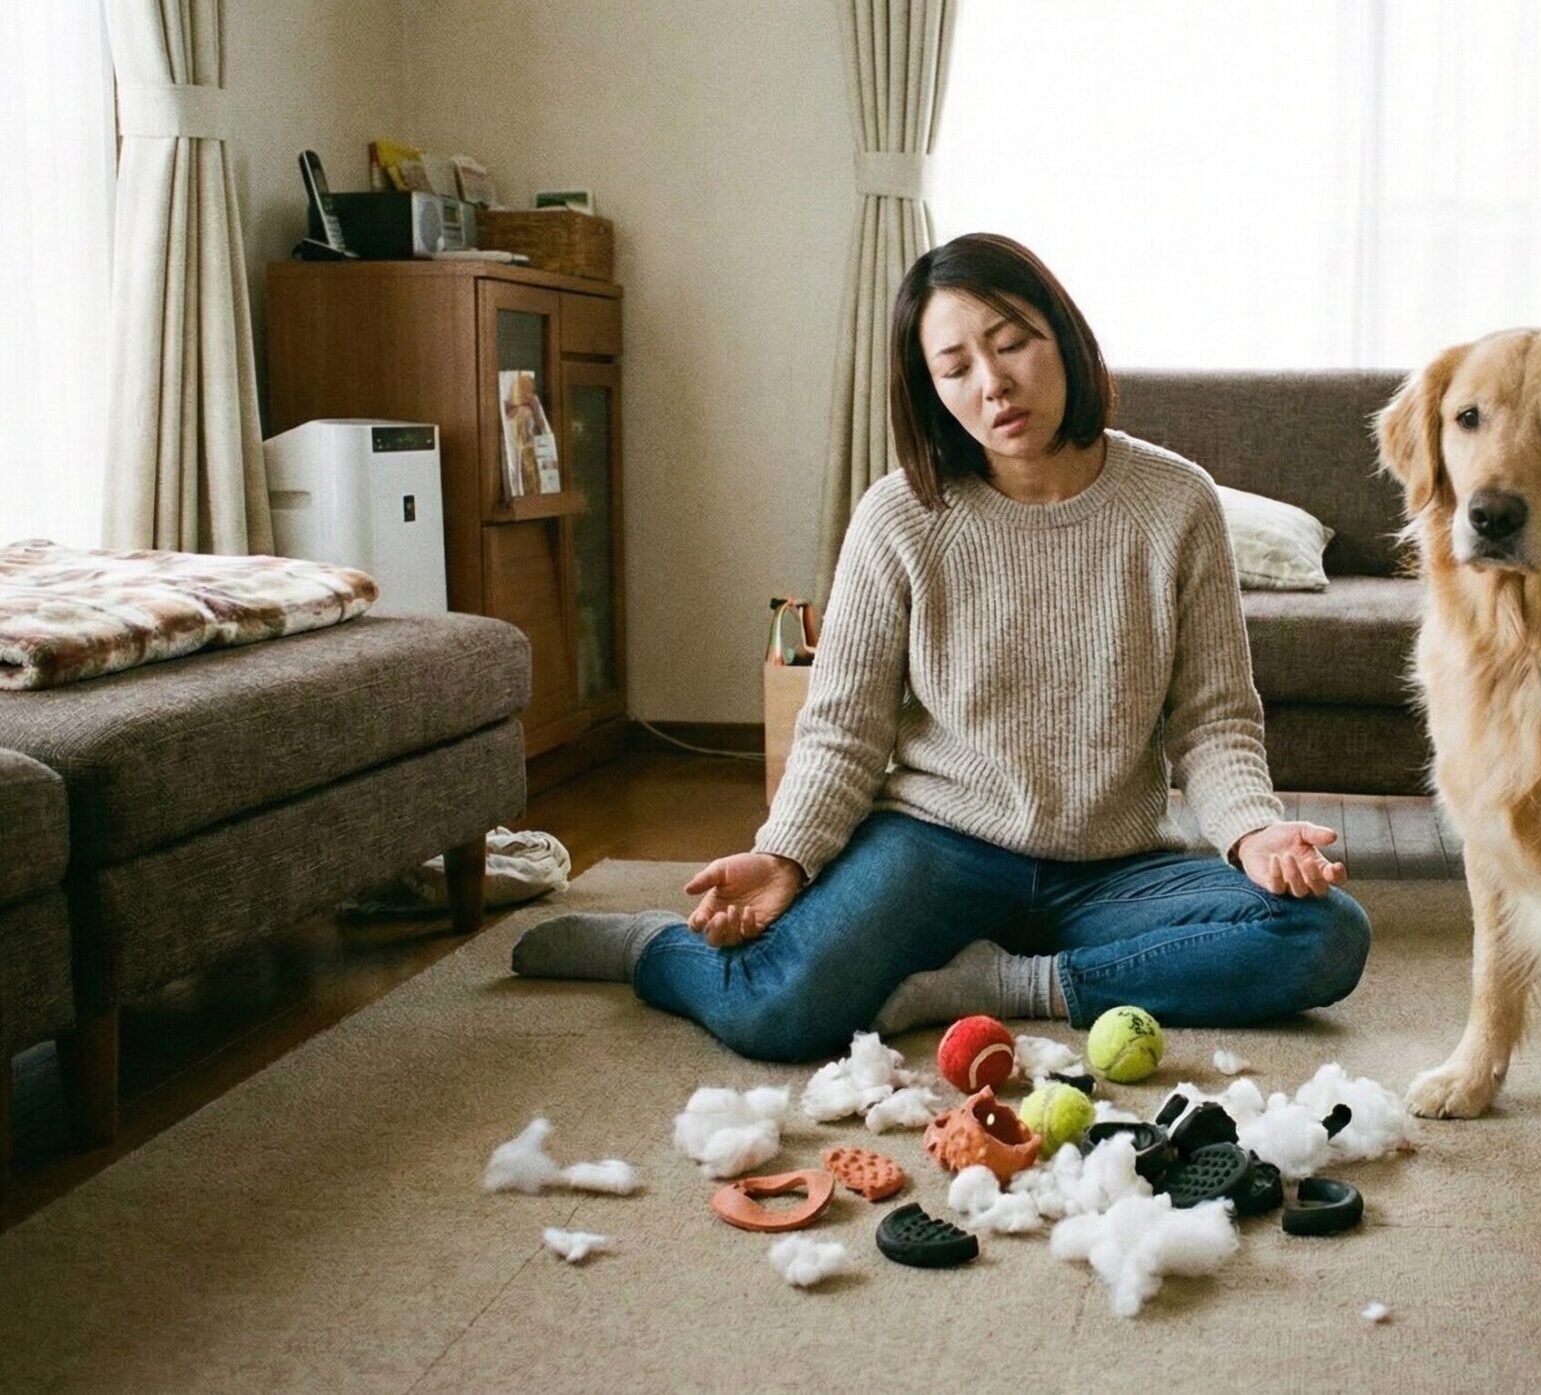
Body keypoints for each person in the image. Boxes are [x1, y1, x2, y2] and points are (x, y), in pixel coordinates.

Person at [511, 232, 1371, 1060]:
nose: (994, 384)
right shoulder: (900, 514)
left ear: (1064, 338)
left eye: (1013, 344)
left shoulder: (1177, 501)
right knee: (774, 1010)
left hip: (1111, 867)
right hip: (937, 846)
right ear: (931, 391)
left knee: (1324, 935)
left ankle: (1002, 982)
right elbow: (845, 728)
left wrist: (1254, 834)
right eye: (956, 368)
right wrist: (786, 854)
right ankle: (651, 950)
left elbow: (1214, 722)